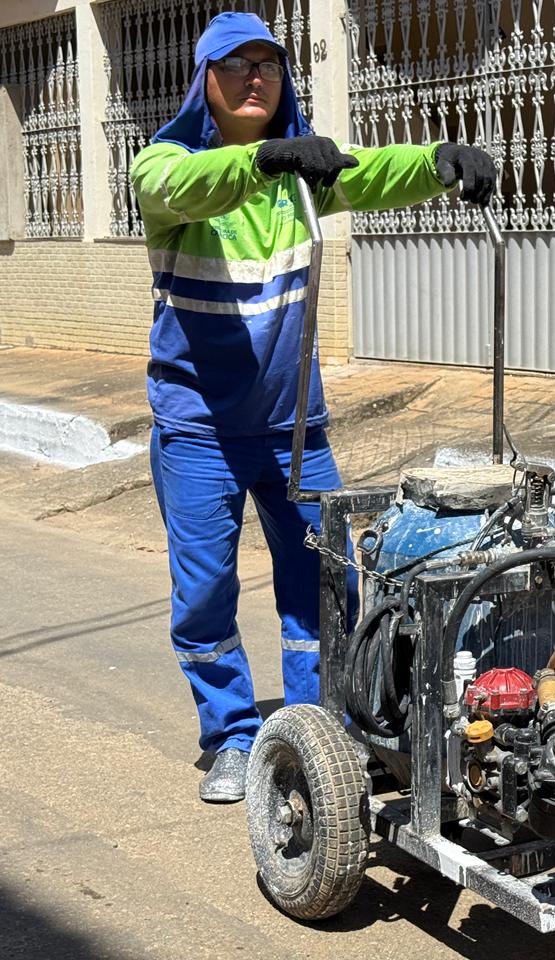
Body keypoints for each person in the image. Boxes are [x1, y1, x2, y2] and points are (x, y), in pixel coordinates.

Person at [131, 12, 496, 803]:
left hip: (295, 429)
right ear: (206, 81)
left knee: (327, 585)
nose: (254, 76)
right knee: (203, 593)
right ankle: (229, 735)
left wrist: (440, 161)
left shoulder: (304, 173)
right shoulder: (168, 164)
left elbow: (376, 170)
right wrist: (260, 159)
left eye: (268, 62)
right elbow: (180, 185)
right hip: (198, 430)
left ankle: (317, 728)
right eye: (235, 65)